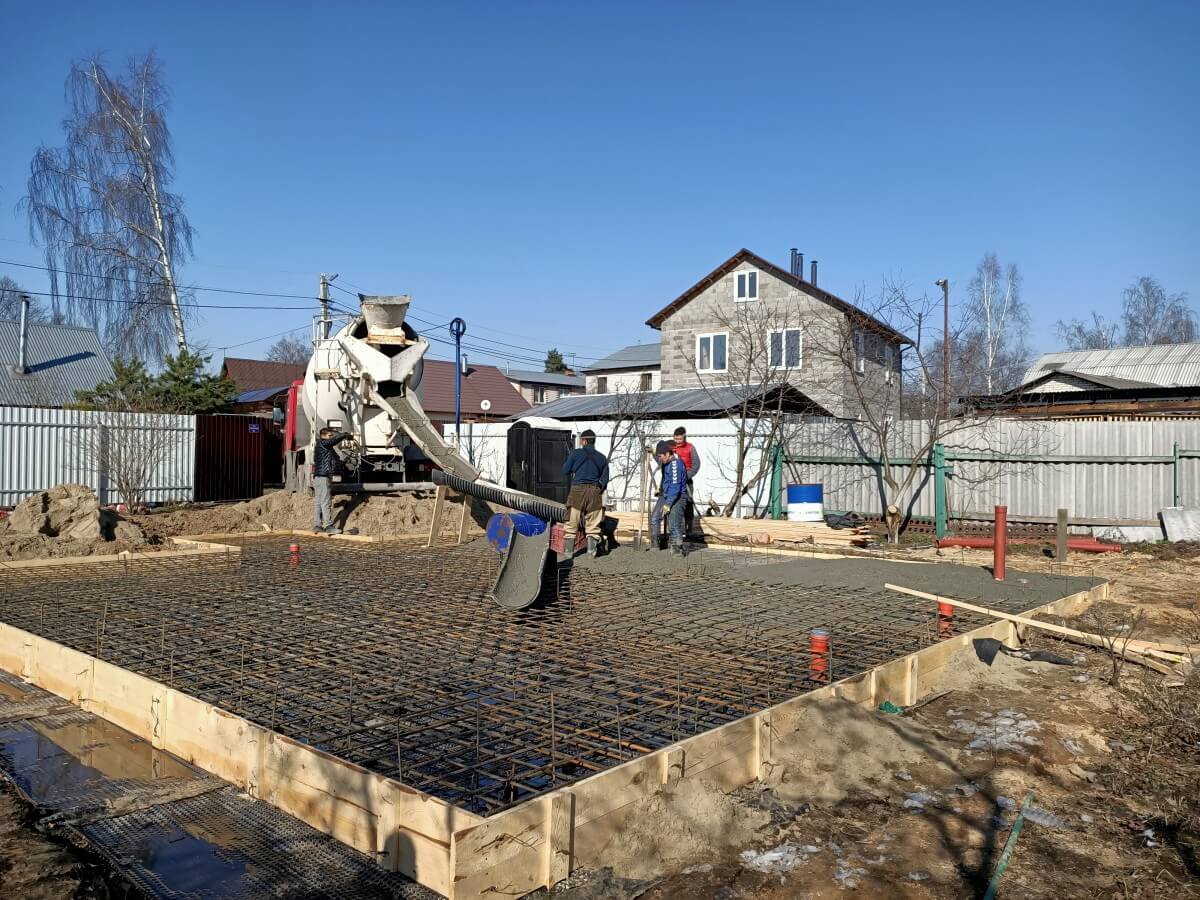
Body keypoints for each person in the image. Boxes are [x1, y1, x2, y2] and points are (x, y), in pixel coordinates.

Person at [562, 429, 609, 558]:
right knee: (593, 524)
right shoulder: (602, 458)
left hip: (577, 491)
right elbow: (605, 480)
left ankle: (569, 553)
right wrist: (597, 489)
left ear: (584, 441)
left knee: (571, 522)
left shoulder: (576, 454)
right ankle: (591, 552)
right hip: (594, 491)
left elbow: (565, 470)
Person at [313, 427, 351, 534]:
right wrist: (344, 435)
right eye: (329, 436)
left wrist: (343, 462)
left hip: (319, 477)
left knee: (319, 502)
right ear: (323, 436)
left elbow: (334, 460)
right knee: (326, 502)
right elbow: (333, 441)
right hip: (323, 477)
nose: (331, 438)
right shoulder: (323, 443)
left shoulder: (326, 447)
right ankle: (328, 526)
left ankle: (317, 525)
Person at [655, 440, 689, 555]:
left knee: (674, 524)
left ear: (667, 454)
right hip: (671, 496)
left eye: (660, 456)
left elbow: (675, 487)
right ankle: (677, 548)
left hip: (678, 498)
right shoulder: (667, 463)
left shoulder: (675, 465)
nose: (659, 459)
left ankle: (678, 549)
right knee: (672, 524)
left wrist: (668, 504)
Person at [671, 426, 701, 533]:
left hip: (686, 482)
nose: (677, 441)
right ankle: (675, 529)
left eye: (679, 439)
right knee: (673, 503)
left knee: (688, 503)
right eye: (675, 439)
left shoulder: (690, 448)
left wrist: (686, 476)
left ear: (684, 437)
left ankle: (689, 529)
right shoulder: (671, 447)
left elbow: (696, 465)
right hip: (673, 481)